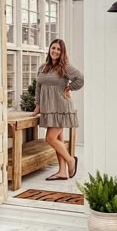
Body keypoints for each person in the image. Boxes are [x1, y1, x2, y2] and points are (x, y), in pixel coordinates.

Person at [32, 39, 84, 180]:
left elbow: (80, 78)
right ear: (49, 49)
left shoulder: (65, 67)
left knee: (50, 138)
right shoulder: (43, 67)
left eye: (58, 49)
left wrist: (69, 87)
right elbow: (38, 87)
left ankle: (70, 160)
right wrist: (38, 105)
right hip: (48, 109)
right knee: (58, 139)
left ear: (62, 52)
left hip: (61, 107)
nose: (55, 51)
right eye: (53, 48)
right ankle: (62, 171)